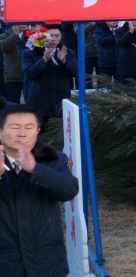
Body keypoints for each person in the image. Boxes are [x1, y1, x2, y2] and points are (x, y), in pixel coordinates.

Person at [0, 104, 80, 276]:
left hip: (46, 258)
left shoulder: (52, 157)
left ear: (37, 130)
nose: (22, 133)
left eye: (29, 127)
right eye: (14, 127)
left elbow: (69, 190)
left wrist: (36, 170)